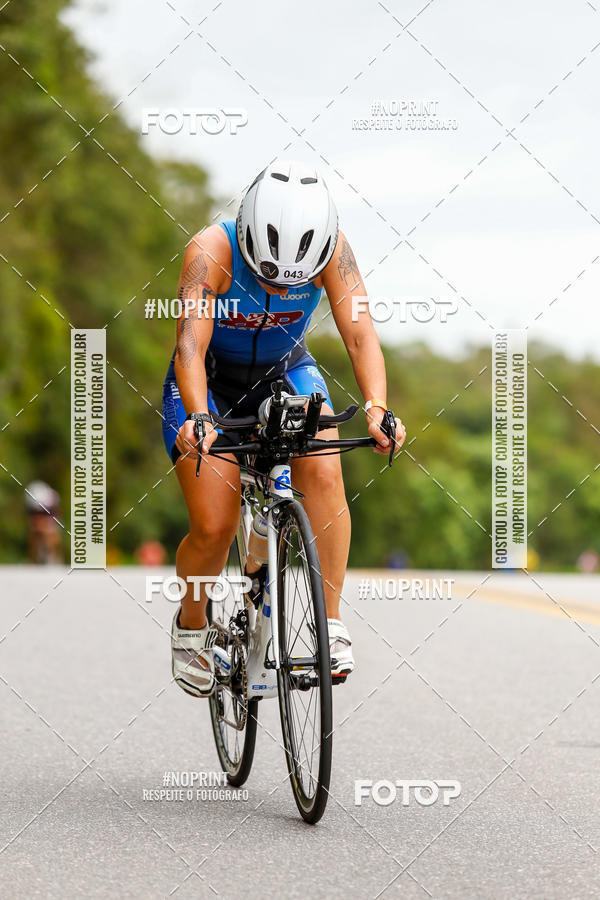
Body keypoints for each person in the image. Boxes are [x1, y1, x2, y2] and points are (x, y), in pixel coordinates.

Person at [162, 159, 406, 697]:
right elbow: (190, 345)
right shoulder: (209, 249)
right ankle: (191, 624)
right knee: (214, 525)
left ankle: (330, 622)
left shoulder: (335, 251)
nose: (277, 286)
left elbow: (360, 335)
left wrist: (376, 407)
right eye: (267, 275)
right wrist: (199, 416)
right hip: (210, 382)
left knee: (325, 471)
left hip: (285, 372)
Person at [25, 480, 63, 564]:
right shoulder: (31, 502)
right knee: (34, 535)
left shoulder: (52, 499)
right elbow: (32, 517)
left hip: (51, 519)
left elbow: (56, 516)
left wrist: (47, 526)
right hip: (40, 522)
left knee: (52, 534)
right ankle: (32, 560)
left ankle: (55, 558)